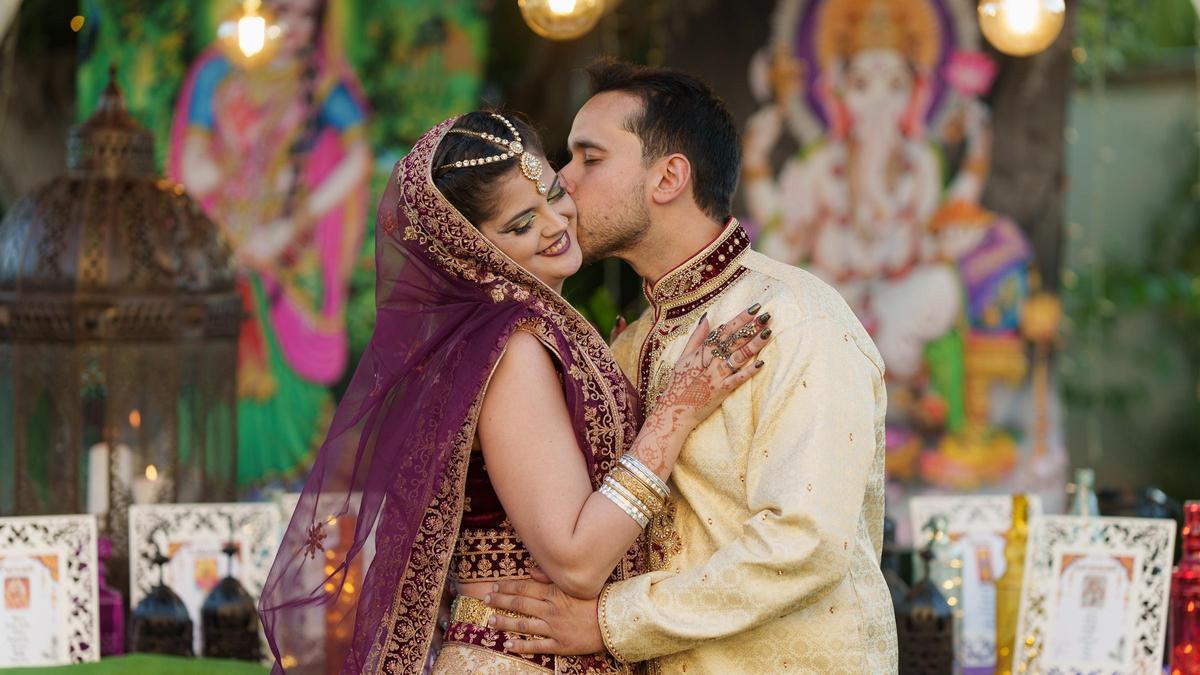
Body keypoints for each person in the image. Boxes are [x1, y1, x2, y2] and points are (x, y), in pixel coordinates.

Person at [257, 110, 773, 674]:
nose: (556, 223)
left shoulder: (535, 332)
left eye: (555, 193)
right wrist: (677, 409)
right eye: (522, 223)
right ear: (469, 250)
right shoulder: (512, 350)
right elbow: (577, 561)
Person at [484, 60, 899, 673]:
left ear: (669, 176)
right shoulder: (633, 343)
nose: (562, 184)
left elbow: (806, 543)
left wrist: (611, 620)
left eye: (588, 159)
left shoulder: (796, 321)